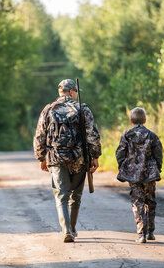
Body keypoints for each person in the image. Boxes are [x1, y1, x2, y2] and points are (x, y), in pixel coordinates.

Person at [33, 79, 102, 243]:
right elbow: (92, 135)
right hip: (79, 158)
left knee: (61, 195)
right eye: (76, 92)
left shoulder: (48, 109)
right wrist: (95, 156)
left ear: (61, 92)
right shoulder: (82, 109)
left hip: (56, 158)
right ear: (71, 92)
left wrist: (41, 157)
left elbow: (40, 136)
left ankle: (67, 231)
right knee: (75, 195)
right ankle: (72, 228)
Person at [115, 107, 163, 243]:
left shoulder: (126, 136)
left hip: (133, 174)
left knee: (138, 201)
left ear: (131, 121)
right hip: (150, 174)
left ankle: (141, 233)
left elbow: (120, 153)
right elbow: (158, 153)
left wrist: (123, 166)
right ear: (145, 120)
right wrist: (158, 167)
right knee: (150, 201)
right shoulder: (152, 135)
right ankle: (151, 232)